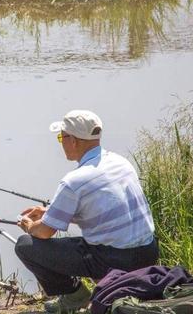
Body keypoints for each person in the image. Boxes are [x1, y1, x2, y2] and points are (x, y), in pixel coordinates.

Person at [15, 110, 159, 313]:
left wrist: (30, 226)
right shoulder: (121, 163)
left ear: (73, 141)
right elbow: (104, 210)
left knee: (25, 246)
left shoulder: (74, 181)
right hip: (148, 252)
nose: (61, 142)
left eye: (61, 137)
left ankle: (75, 295)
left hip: (114, 259)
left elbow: (43, 233)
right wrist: (49, 212)